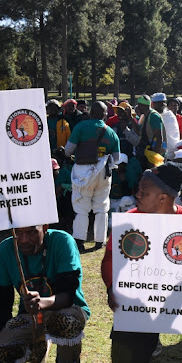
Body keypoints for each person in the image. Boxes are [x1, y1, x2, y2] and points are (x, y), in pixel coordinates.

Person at [101, 161, 182, 363]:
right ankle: (150, 340)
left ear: (163, 198)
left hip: (175, 294)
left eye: (144, 192)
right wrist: (111, 286)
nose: (137, 194)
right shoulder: (129, 220)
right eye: (138, 189)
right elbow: (109, 259)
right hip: (139, 299)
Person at [0, 225, 89, 363]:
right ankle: (39, 351)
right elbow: (1, 306)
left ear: (45, 228)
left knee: (65, 320)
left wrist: (42, 302)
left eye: (32, 232)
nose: (24, 239)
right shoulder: (6, 249)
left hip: (67, 309)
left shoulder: (62, 241)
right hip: (33, 316)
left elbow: (67, 295)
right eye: (18, 233)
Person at [64, 101, 121, 251]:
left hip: (82, 170)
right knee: (101, 207)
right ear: (104, 114)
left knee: (82, 207)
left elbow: (68, 151)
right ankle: (99, 241)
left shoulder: (81, 127)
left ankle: (80, 241)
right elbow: (116, 158)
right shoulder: (111, 132)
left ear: (90, 112)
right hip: (103, 172)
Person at [135, 94, 165, 165]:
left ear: (144, 106)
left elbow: (159, 138)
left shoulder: (153, 116)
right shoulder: (145, 116)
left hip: (153, 153)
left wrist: (155, 158)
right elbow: (139, 132)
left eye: (139, 105)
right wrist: (130, 117)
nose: (138, 107)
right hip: (147, 151)